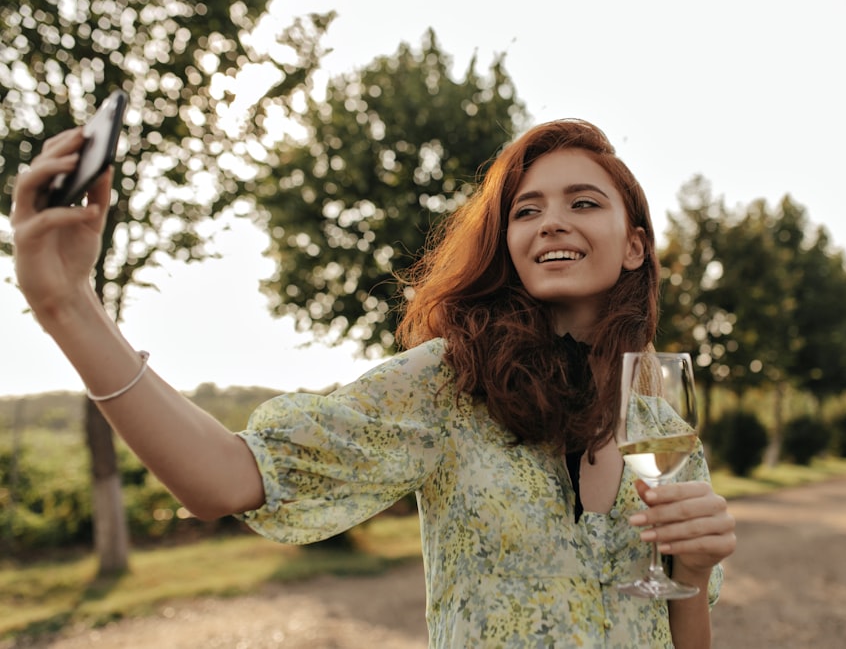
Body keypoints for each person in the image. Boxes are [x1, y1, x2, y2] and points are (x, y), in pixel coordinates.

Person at [11, 118, 736, 648]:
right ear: (508, 244)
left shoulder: (661, 431)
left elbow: (678, 635)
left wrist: (695, 573)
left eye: (583, 202)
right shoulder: (451, 383)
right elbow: (226, 477)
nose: (551, 221)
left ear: (635, 244)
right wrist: (69, 306)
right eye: (526, 208)